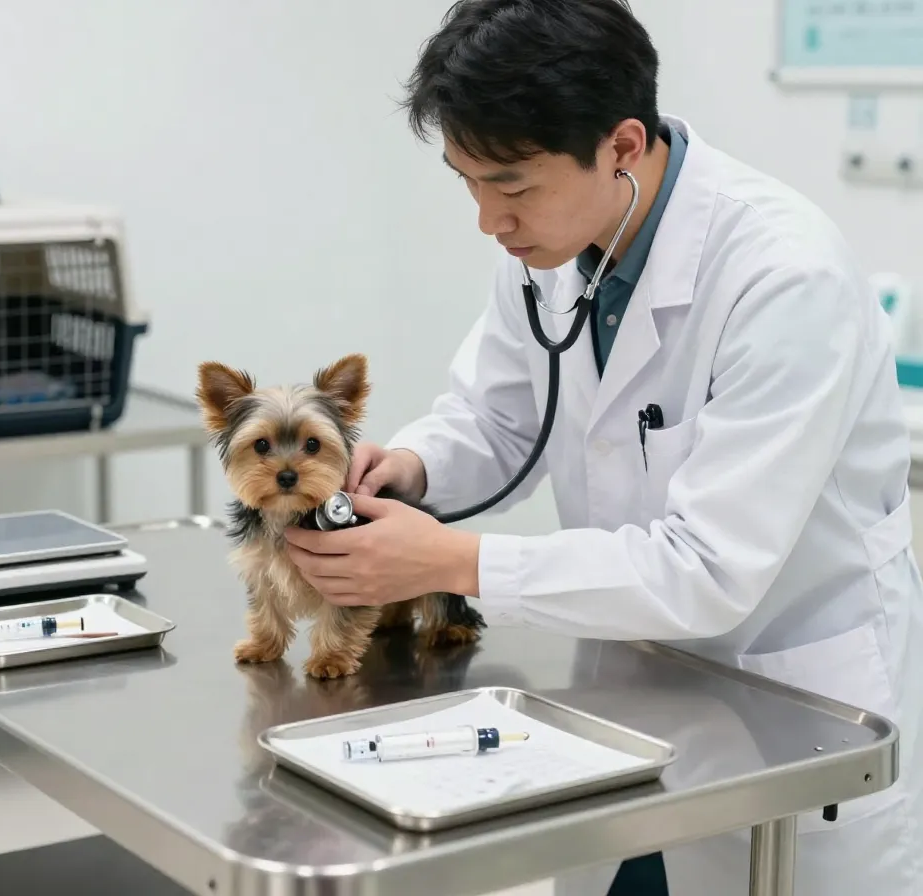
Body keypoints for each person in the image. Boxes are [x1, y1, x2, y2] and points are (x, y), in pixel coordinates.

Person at [282, 1, 923, 894]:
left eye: (510, 186)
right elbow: (501, 417)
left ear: (622, 145)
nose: (487, 221)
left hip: (788, 707)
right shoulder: (558, 248)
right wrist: (414, 467)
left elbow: (708, 567)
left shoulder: (784, 277)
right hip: (628, 694)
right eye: (466, 182)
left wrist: (453, 560)